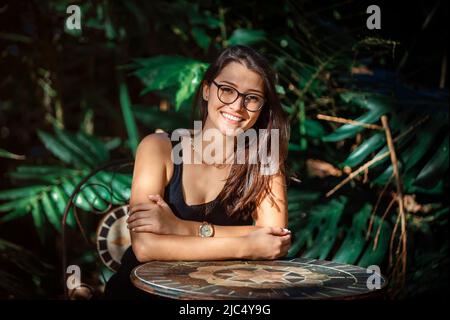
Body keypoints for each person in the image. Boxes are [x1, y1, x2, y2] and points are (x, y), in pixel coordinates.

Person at [104, 45, 291, 299]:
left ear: (262, 107)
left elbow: (273, 243)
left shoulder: (264, 161)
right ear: (206, 89)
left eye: (252, 97)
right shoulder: (158, 148)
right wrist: (247, 243)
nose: (237, 106)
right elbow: (145, 247)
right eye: (227, 90)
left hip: (221, 297)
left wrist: (181, 228)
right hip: (144, 294)